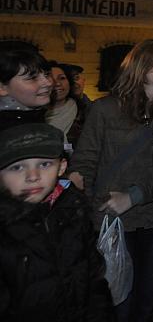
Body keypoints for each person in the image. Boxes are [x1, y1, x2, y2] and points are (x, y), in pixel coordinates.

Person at [68, 40, 153, 322]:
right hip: (111, 222)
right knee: (116, 302)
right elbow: (84, 163)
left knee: (146, 301)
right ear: (141, 65)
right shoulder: (105, 109)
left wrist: (135, 195)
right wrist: (88, 209)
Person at [0, 123, 114, 321]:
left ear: (61, 167)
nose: (33, 176)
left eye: (44, 164)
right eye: (17, 167)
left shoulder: (74, 212)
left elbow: (93, 282)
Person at [0, 48, 51, 131]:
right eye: (33, 78)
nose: (48, 83)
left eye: (46, 75)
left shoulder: (30, 118)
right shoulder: (14, 128)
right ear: (2, 88)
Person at [45, 61, 84, 149]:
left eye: (62, 78)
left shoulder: (85, 112)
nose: (57, 83)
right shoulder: (34, 114)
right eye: (51, 79)